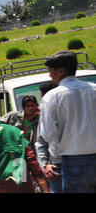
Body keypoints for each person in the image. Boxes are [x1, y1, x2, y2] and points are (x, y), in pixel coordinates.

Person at [39, 51, 96, 193]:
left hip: (72, 162)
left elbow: (48, 135)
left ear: (61, 71)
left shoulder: (52, 97)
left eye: (51, 71)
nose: (49, 75)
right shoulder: (94, 90)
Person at [35, 80, 62, 193]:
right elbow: (41, 142)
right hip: (56, 168)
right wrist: (45, 165)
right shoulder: (44, 115)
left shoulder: (66, 110)